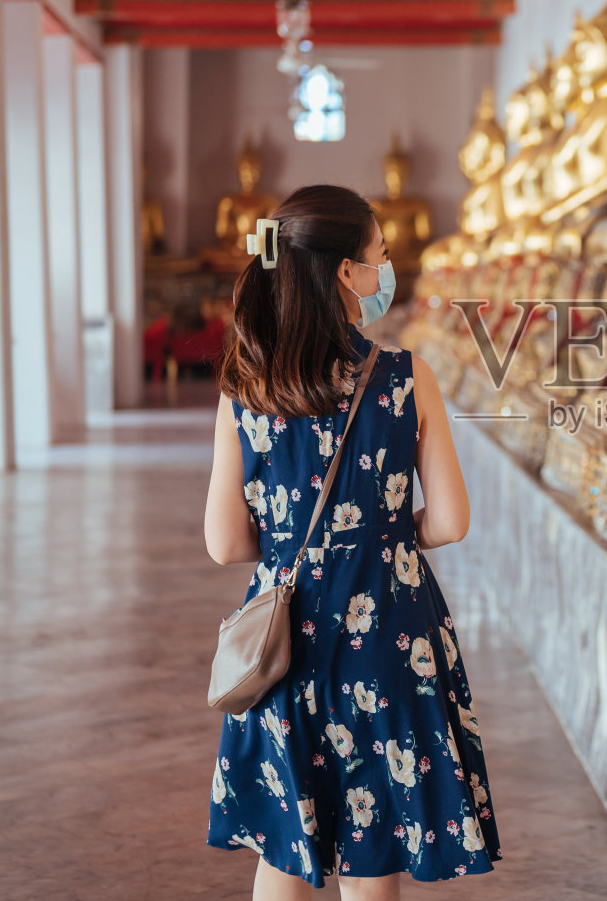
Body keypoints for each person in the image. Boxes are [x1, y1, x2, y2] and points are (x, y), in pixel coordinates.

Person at [203, 185, 501, 900]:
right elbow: (451, 521)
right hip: (392, 636)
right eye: (379, 257)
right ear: (346, 272)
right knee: (374, 852)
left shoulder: (246, 384)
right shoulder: (406, 377)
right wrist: (386, 534)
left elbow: (223, 542)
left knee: (285, 846)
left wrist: (289, 539)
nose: (384, 272)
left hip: (287, 644)